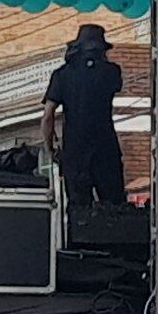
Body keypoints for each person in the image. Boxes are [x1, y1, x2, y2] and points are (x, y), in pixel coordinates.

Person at [40, 24, 126, 206]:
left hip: (75, 154)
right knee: (116, 211)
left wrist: (50, 149)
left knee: (79, 214)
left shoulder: (61, 75)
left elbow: (48, 115)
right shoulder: (112, 72)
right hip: (106, 151)